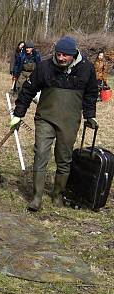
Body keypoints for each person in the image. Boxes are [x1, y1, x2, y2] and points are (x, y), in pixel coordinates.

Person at [10, 36, 98, 211]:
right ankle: (36, 197)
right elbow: (28, 90)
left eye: (65, 55)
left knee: (64, 158)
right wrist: (18, 114)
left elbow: (90, 94)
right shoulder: (44, 67)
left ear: (74, 55)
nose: (61, 58)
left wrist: (90, 116)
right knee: (41, 154)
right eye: (59, 54)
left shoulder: (86, 69)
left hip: (70, 121)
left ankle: (57, 194)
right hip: (45, 118)